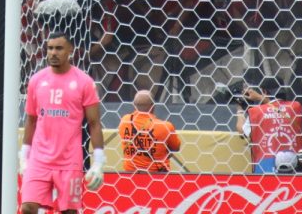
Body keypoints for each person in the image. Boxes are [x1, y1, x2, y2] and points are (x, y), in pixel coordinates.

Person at [19, 32, 104, 214]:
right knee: (27, 208)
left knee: (69, 212)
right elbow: (31, 119)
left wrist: (98, 163)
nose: (53, 53)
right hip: (39, 159)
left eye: (59, 48)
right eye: (50, 48)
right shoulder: (36, 81)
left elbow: (94, 123)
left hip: (69, 160)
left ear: (70, 50)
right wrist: (24, 154)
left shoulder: (84, 82)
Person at [236, 77, 302, 174]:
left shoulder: (256, 112)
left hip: (264, 166)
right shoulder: (296, 107)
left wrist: (239, 108)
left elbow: (242, 132)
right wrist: (261, 98)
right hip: (295, 166)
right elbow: (281, 110)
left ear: (264, 91)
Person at [117, 89, 181, 173]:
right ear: (153, 106)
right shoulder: (165, 126)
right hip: (158, 175)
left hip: (131, 174)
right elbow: (176, 147)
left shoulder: (125, 120)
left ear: (134, 105)